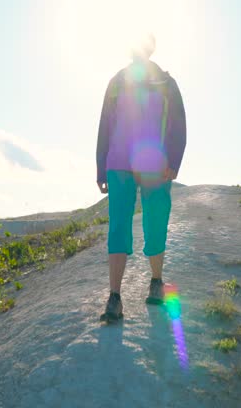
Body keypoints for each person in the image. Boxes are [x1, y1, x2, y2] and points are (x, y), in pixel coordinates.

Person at [96, 34, 187, 322]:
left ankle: (156, 282)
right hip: (119, 162)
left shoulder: (166, 83)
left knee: (155, 220)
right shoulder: (117, 81)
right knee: (119, 226)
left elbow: (178, 124)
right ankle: (114, 297)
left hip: (156, 163)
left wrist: (173, 161)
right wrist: (101, 166)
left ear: (150, 49)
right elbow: (105, 125)